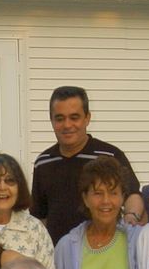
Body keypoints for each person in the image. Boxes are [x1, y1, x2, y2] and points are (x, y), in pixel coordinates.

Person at [31, 86, 143, 244]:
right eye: (60, 118)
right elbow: (39, 217)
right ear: (51, 120)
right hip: (58, 257)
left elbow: (132, 194)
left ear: (87, 118)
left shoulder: (110, 156)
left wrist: (132, 217)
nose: (67, 125)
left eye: (74, 117)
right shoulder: (43, 163)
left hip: (104, 252)